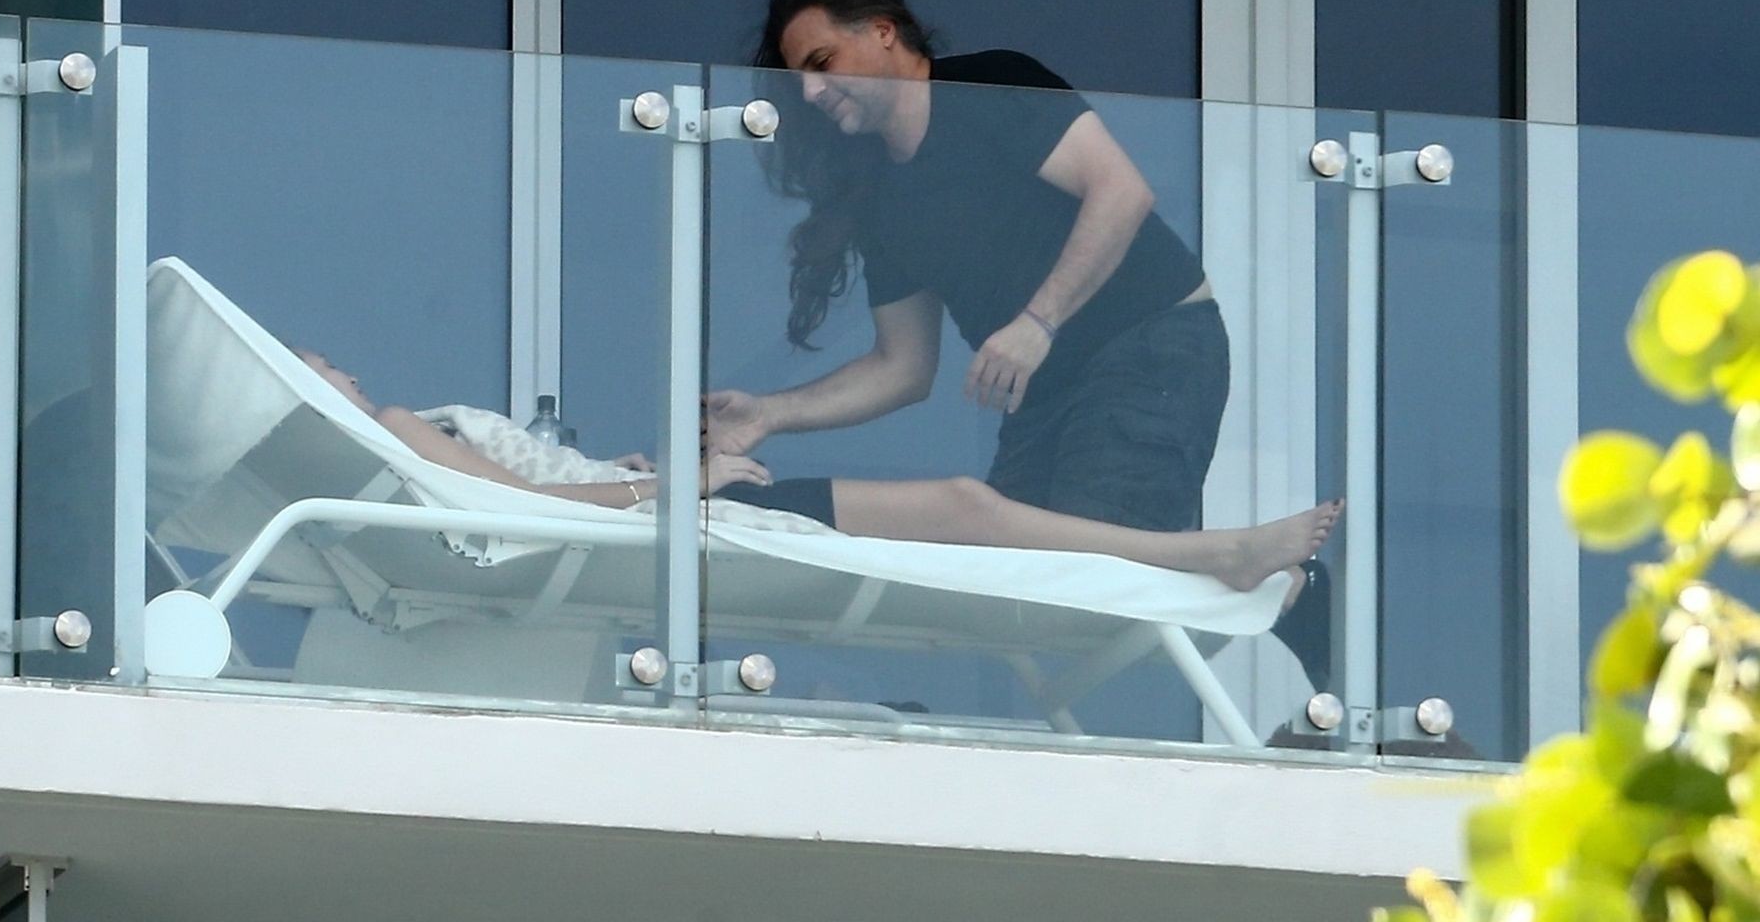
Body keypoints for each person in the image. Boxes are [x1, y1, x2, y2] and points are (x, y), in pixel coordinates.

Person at [701, 0, 1335, 683]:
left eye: (822, 63)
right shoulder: (882, 194)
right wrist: (770, 415)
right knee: (1014, 583)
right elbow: (901, 368)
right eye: (801, 82)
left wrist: (1038, 321)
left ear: (882, 32)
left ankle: (1284, 586)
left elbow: (1121, 191)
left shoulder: (990, 87)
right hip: (1044, 393)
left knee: (1087, 576)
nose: (813, 93)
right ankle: (1263, 579)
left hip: (1150, 344)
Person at [294, 350, 1342, 603]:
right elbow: (515, 507)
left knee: (967, 509)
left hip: (669, 512)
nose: (341, 364)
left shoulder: (385, 445)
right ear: (316, 395)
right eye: (318, 366)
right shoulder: (390, 426)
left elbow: (519, 494)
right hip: (684, 519)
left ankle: (1204, 556)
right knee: (963, 506)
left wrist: (629, 476)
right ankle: (1209, 554)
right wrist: (680, 485)